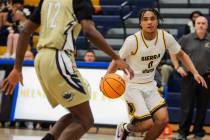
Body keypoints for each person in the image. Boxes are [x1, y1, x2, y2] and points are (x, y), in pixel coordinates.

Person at [1, 0, 134, 140]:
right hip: (58, 57)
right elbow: (89, 31)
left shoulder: (46, 1)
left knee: (76, 115)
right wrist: (116, 57)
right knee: (85, 120)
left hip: (41, 58)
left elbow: (26, 31)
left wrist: (17, 68)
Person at [106, 8, 207, 140]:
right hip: (133, 86)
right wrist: (107, 76)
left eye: (152, 19)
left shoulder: (165, 37)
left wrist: (195, 72)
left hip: (150, 85)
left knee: (163, 120)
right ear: (140, 23)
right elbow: (117, 59)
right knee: (147, 124)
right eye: (145, 19)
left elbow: (181, 54)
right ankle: (125, 128)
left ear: (157, 21)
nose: (149, 22)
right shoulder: (132, 40)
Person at [170, 16, 210, 140]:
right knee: (187, 106)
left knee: (202, 107)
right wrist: (177, 66)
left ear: (207, 25)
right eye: (198, 23)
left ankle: (198, 132)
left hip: (206, 77)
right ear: (195, 25)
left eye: (203, 23)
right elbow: (173, 50)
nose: (201, 25)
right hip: (189, 77)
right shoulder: (186, 39)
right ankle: (183, 133)